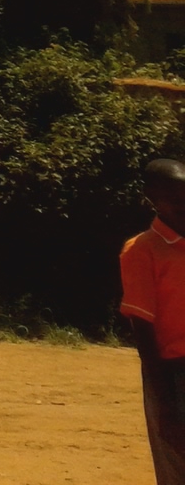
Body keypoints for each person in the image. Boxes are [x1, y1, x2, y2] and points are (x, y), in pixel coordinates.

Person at [123, 158, 185, 485]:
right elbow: (144, 332)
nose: (184, 205)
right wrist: (167, 408)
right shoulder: (142, 251)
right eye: (175, 200)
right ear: (151, 198)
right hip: (172, 375)